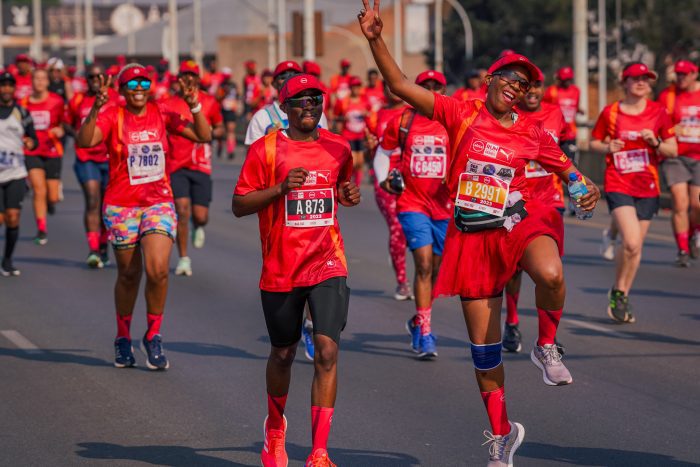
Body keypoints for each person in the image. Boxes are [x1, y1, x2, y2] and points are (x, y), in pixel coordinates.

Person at [357, 2, 600, 464]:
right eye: (510, 79)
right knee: (484, 353)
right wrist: (375, 39)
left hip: (518, 222)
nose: (516, 88)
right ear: (489, 80)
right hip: (472, 235)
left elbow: (572, 175)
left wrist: (584, 189)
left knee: (551, 274)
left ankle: (546, 345)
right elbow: (400, 85)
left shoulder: (533, 132)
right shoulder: (459, 112)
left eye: (524, 85)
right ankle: (501, 434)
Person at [233, 74, 360, 467]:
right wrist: (280, 189)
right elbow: (239, 204)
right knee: (283, 353)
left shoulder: (339, 147)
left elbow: (342, 187)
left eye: (315, 100)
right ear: (285, 107)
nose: (309, 106)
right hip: (282, 267)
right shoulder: (266, 149)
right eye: (301, 101)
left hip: (327, 260)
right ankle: (275, 428)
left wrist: (348, 194)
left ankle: (319, 452)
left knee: (327, 350)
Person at [76, 63, 212, 370]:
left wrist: (194, 105)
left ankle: (153, 336)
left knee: (158, 271)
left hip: (158, 203)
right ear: (122, 90)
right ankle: (123, 337)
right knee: (128, 274)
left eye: (143, 84)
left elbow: (202, 135)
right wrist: (95, 109)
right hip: (121, 205)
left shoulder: (162, 112)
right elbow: (85, 141)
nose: (139, 89)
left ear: (150, 88)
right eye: (132, 85)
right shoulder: (113, 115)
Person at [590, 62, 677, 323]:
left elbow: (673, 149)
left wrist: (656, 142)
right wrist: (608, 147)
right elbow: (594, 142)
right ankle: (619, 289)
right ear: (624, 82)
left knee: (635, 248)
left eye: (645, 79)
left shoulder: (658, 112)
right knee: (630, 241)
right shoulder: (611, 112)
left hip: (647, 185)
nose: (641, 83)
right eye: (635, 78)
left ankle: (620, 293)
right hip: (619, 182)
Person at [375, 70, 452, 359]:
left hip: (444, 206)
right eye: (424, 86)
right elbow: (383, 153)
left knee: (436, 271)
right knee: (423, 264)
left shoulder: (452, 120)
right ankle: (426, 333)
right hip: (412, 203)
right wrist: (384, 180)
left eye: (436, 86)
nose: (430, 90)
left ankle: (419, 318)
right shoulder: (403, 121)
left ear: (443, 91)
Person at [502, 66, 571, 354]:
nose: (532, 91)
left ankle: (548, 337)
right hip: (517, 199)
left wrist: (577, 183)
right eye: (526, 86)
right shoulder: (509, 116)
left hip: (550, 199)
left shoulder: (555, 114)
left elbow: (565, 148)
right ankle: (512, 321)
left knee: (550, 271)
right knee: (514, 268)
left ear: (544, 88)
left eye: (537, 85)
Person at [160, 60, 224, 277]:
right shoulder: (168, 104)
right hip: (176, 164)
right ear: (179, 78)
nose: (188, 78)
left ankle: (199, 225)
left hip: (201, 165)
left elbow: (219, 127)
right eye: (184, 75)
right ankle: (184, 258)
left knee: (201, 216)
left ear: (198, 79)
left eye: (192, 75)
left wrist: (212, 131)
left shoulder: (209, 102)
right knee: (181, 210)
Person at [66, 64, 117, 267]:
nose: (95, 79)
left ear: (106, 78)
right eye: (91, 76)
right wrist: (78, 136)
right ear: (86, 79)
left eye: (99, 76)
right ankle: (93, 249)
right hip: (86, 157)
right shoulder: (78, 100)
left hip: (110, 158)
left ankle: (104, 245)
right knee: (93, 200)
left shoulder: (116, 98)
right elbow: (66, 122)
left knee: (106, 205)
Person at [368, 83, 412, 301]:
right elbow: (374, 152)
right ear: (384, 90)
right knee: (397, 228)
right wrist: (370, 149)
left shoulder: (412, 113)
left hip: (412, 178)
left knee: (411, 230)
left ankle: (398, 253)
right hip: (386, 179)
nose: (394, 91)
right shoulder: (375, 117)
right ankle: (402, 282)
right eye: (389, 87)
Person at [659, 60, 700, 266]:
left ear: (694, 74)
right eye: (679, 74)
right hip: (675, 156)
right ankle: (682, 250)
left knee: (696, 203)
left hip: (698, 157)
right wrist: (671, 130)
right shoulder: (668, 96)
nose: (681, 78)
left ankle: (693, 233)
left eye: (685, 74)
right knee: (680, 201)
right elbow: (659, 123)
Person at [21, 68, 66, 245]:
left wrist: (60, 130)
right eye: (36, 78)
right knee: (38, 190)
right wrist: (24, 139)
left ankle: (51, 200)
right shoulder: (23, 103)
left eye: (43, 78)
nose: (39, 81)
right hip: (32, 151)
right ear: (31, 81)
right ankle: (41, 230)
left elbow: (65, 122)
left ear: (48, 82)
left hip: (52, 151)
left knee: (51, 196)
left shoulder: (57, 101)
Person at [0, 71, 38, 276]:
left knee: (13, 217)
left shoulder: (22, 113)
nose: (6, 89)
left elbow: (34, 139)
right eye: (3, 85)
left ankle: (7, 260)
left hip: (15, 173)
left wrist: (31, 143)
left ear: (14, 89)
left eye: (9, 85)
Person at [244, 61, 329, 146]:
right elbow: (253, 151)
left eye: (295, 75)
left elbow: (325, 145)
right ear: (274, 84)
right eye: (283, 76)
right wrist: (271, 140)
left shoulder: (317, 113)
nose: (290, 78)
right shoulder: (261, 117)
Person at [333, 76, 370, 185]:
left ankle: (357, 186)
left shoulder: (365, 100)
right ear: (350, 87)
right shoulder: (344, 101)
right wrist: (343, 118)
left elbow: (371, 115)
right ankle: (349, 183)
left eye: (358, 86)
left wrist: (367, 114)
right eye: (354, 86)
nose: (356, 89)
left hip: (361, 135)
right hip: (348, 135)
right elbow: (336, 116)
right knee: (353, 162)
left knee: (360, 162)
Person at [544, 66, 582, 161]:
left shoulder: (576, 91)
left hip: (571, 132)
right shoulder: (551, 91)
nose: (567, 82)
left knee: (571, 161)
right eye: (565, 79)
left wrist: (579, 110)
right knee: (555, 162)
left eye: (569, 79)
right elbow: (542, 108)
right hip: (556, 132)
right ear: (559, 79)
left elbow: (575, 106)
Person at [215, 69, 239, 160]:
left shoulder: (234, 85)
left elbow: (237, 96)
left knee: (231, 130)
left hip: (231, 110)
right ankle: (220, 145)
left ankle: (230, 150)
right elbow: (217, 97)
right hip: (222, 110)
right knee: (221, 131)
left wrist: (236, 105)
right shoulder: (221, 85)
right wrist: (224, 93)